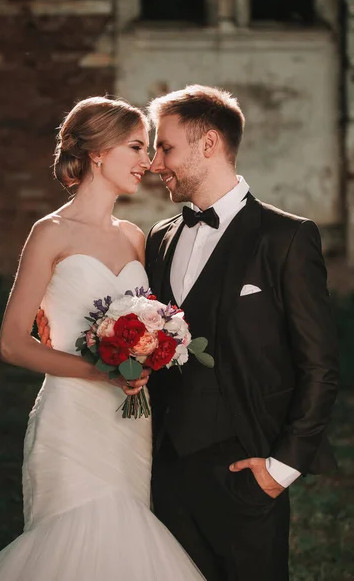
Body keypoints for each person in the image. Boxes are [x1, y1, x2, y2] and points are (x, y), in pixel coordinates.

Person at [0, 96, 204, 581]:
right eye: (137, 147)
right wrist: (101, 370)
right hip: (71, 419)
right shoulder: (50, 233)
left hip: (129, 423)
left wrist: (150, 354)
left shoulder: (136, 237)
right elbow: (13, 343)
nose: (147, 161)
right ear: (98, 152)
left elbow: (160, 321)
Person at [145, 85, 339, 581]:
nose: (154, 162)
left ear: (208, 144)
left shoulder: (286, 238)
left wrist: (281, 470)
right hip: (163, 471)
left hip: (246, 470)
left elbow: (319, 366)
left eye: (165, 147)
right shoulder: (160, 239)